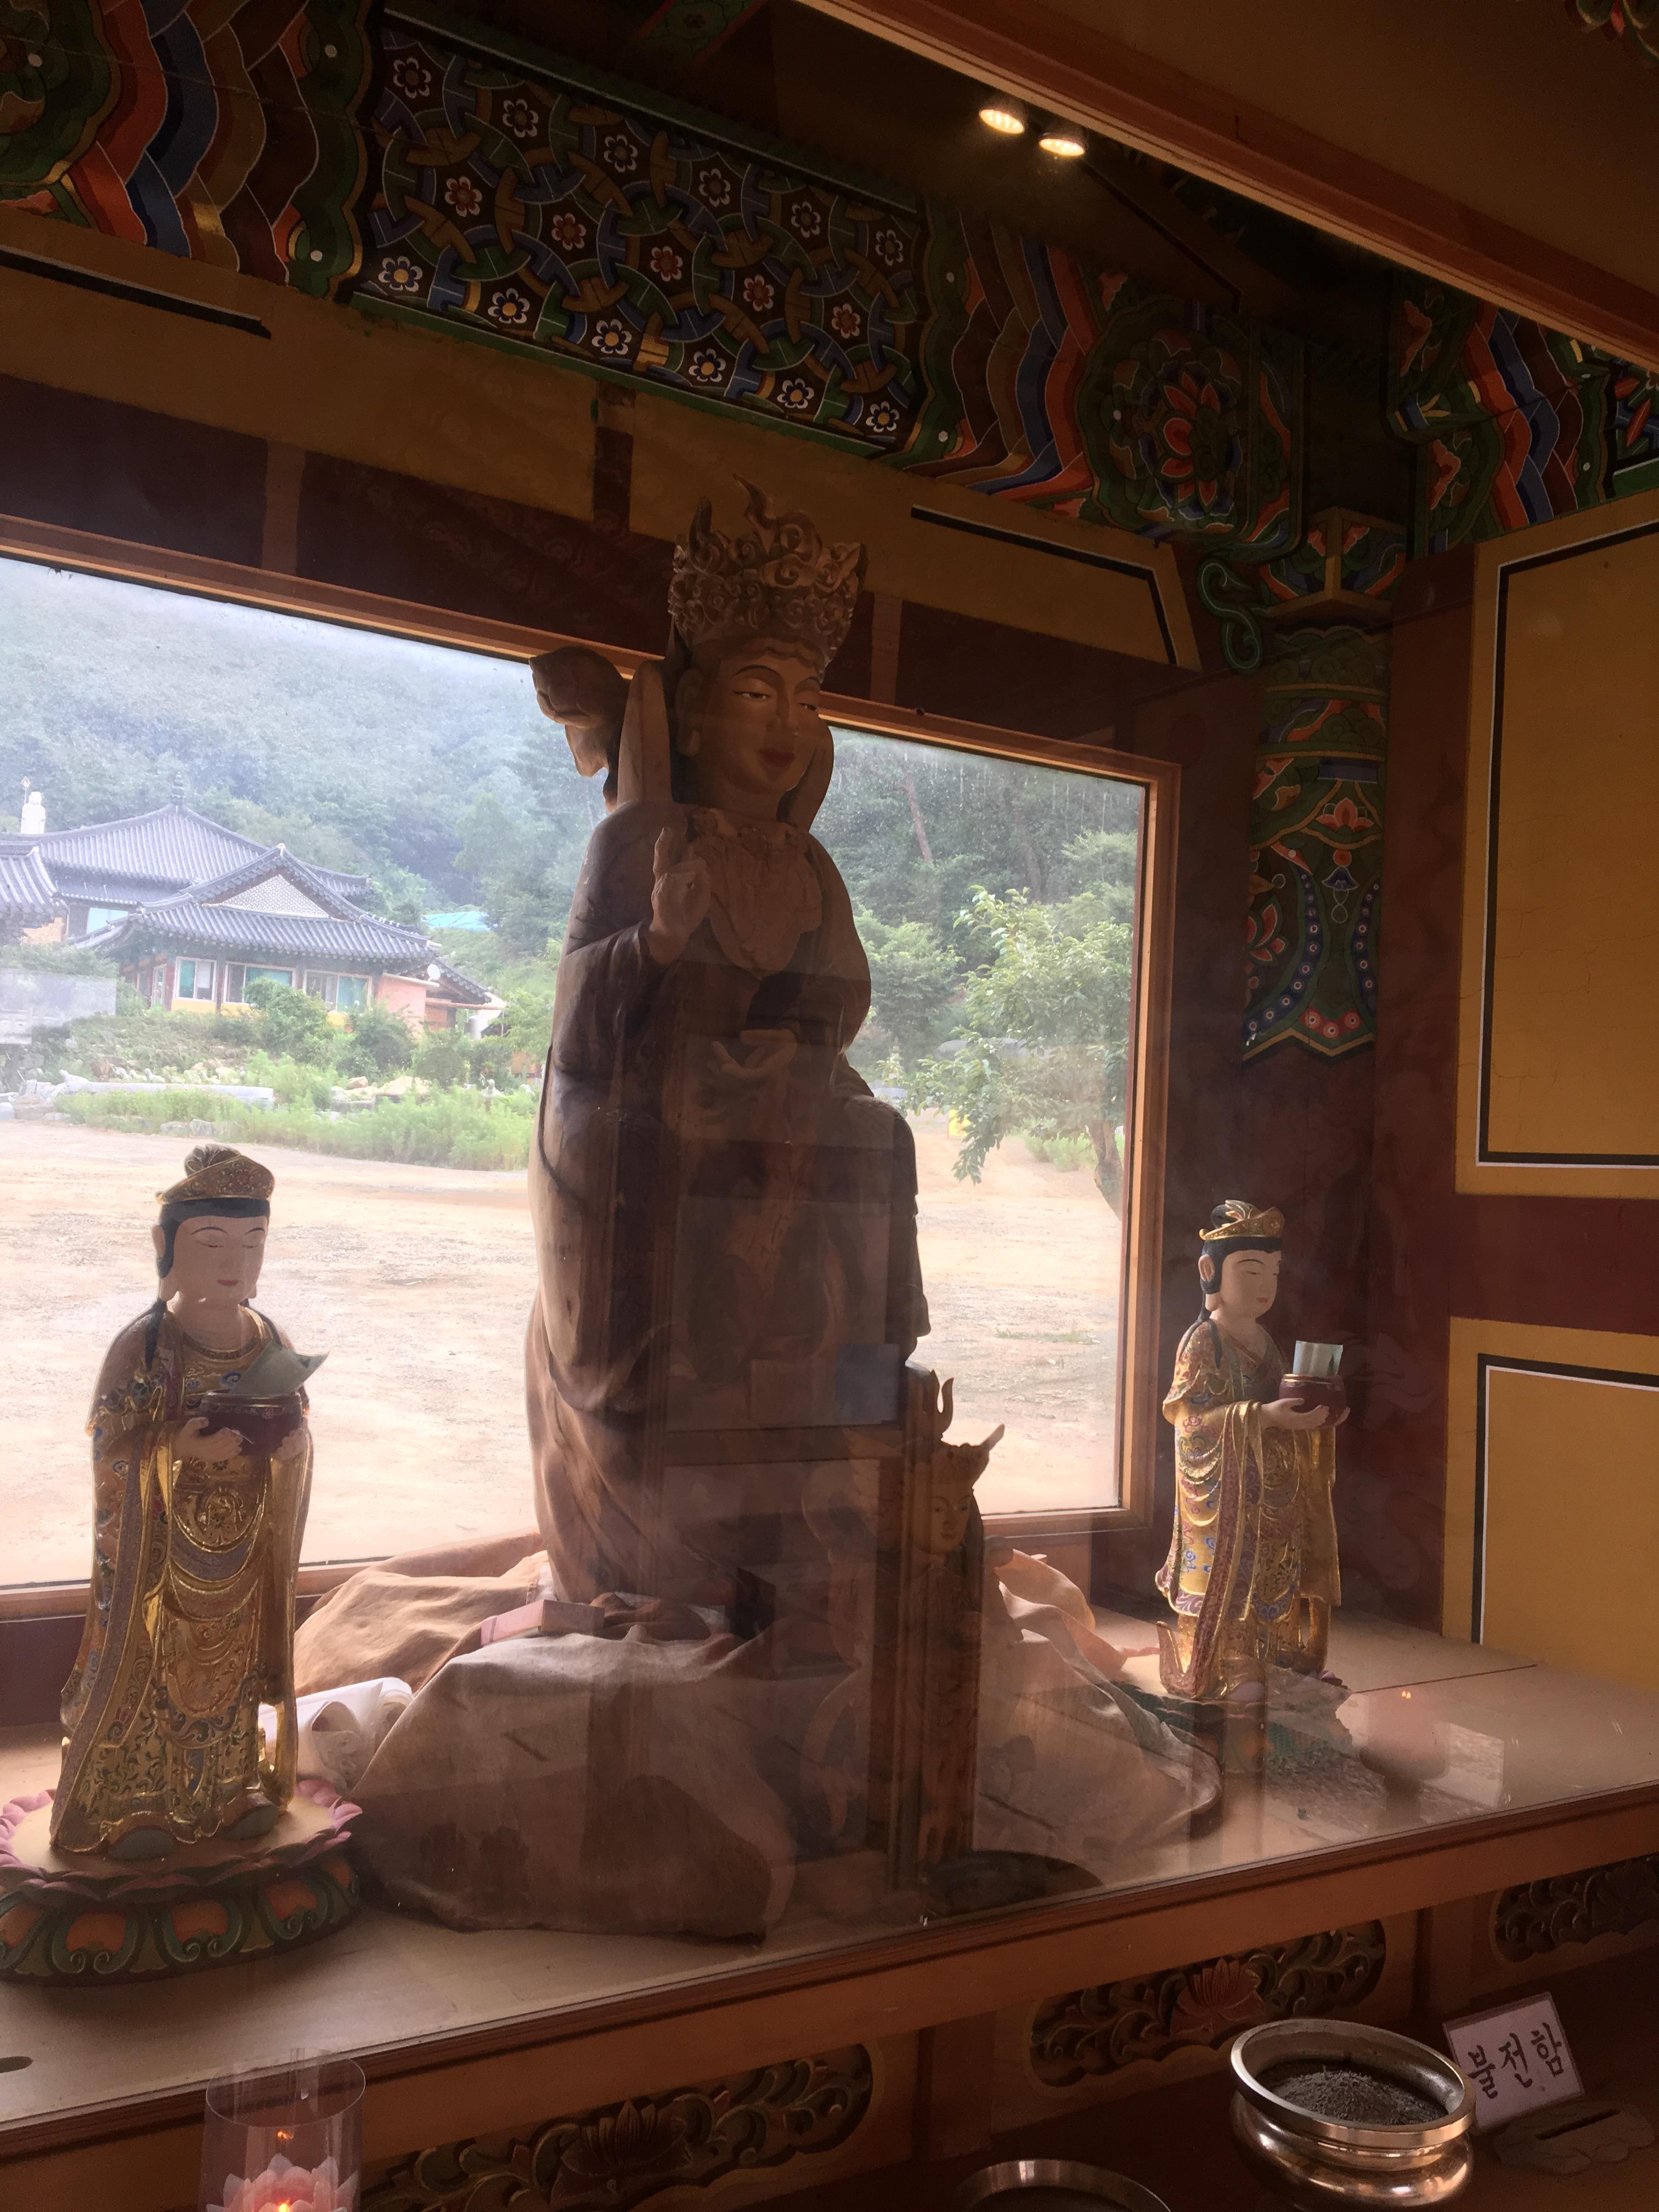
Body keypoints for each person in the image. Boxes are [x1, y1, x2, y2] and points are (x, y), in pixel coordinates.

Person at [526, 481, 929, 1608]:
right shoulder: (636, 839)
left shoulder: (809, 864)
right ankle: (667, 1475)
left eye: (804, 697)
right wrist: (655, 939)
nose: (783, 723)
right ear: (695, 715)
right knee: (661, 1146)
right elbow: (577, 1034)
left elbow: (840, 1006)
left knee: (880, 1137)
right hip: (658, 1103)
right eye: (756, 692)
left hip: (784, 1101)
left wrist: (790, 1053)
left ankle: (858, 1412)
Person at [52, 1145, 311, 1858]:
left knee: (229, 1678)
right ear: (167, 1247)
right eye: (213, 1242)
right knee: (151, 1673)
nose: (235, 1262)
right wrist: (175, 1450)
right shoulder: (145, 1346)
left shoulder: (269, 1338)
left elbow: (293, 1419)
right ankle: (135, 1804)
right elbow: (110, 1447)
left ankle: (230, 1790)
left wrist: (292, 1451)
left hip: (243, 1554)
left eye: (253, 1243)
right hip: (162, 1561)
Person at [1156, 1199, 1343, 1703]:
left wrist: (1317, 1417)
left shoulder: (1266, 1341)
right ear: (1209, 1271)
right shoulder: (1204, 1341)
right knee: (1235, 1575)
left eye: (1274, 1274)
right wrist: (1261, 1417)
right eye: (1251, 1271)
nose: (1265, 1286)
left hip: (1274, 1490)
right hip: (1227, 1497)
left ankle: (1278, 1655)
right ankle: (1229, 1659)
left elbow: (1282, 1401)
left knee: (1275, 1570)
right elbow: (1189, 1423)